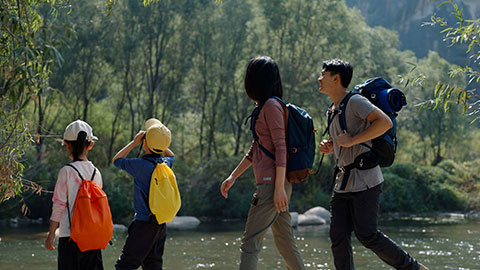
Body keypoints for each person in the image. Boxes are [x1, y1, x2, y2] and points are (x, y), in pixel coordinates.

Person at [317, 59, 428, 270]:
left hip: (366, 180)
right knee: (338, 236)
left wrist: (352, 141)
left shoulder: (356, 101)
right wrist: (330, 147)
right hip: (343, 183)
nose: (319, 78)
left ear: (336, 78)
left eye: (323, 74)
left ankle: (414, 268)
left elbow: (384, 122)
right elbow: (347, 139)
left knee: (367, 235)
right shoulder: (332, 109)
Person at [220, 56, 305, 270]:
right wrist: (233, 176)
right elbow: (255, 149)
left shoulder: (271, 106)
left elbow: (281, 146)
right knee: (286, 244)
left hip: (271, 186)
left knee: (250, 243)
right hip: (275, 186)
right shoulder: (264, 107)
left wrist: (277, 189)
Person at [112, 118, 175, 270]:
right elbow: (171, 155)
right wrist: (160, 142)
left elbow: (117, 160)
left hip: (143, 224)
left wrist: (134, 142)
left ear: (144, 143)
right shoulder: (166, 163)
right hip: (160, 224)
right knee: (153, 265)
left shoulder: (140, 165)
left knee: (124, 265)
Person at [45, 120, 104, 270]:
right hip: (92, 238)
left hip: (69, 237)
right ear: (90, 145)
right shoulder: (96, 173)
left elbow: (59, 205)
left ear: (67, 145)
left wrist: (51, 234)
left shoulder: (66, 171)